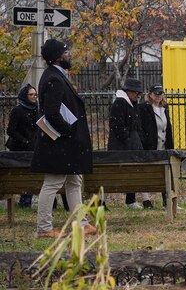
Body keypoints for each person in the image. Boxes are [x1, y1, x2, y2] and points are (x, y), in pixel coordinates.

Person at [31, 38, 95, 238]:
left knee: (75, 181)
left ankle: (82, 224)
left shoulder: (57, 76)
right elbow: (51, 113)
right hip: (60, 143)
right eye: (66, 52)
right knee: (52, 183)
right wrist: (69, 131)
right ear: (57, 56)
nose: (69, 54)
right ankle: (44, 227)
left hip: (67, 143)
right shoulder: (53, 79)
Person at [108, 77, 145, 209]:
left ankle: (131, 200)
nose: (138, 95)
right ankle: (103, 201)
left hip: (131, 144)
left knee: (132, 173)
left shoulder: (131, 104)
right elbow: (116, 126)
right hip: (121, 146)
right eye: (136, 92)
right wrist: (128, 141)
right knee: (113, 174)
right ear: (129, 91)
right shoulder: (120, 103)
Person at [139, 84, 174, 209]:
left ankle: (166, 201)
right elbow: (142, 127)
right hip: (150, 145)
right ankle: (146, 200)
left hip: (163, 145)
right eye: (156, 94)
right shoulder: (144, 108)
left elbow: (167, 127)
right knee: (147, 173)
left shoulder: (165, 107)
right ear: (150, 95)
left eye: (160, 93)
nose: (158, 96)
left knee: (165, 174)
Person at [6, 84, 38, 208]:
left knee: (32, 174)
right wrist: (24, 141)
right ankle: (24, 203)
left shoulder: (37, 109)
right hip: (19, 148)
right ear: (25, 96)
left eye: (35, 94)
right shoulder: (18, 110)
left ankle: (26, 202)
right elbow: (11, 130)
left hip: (33, 147)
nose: (34, 97)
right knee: (24, 175)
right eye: (31, 94)